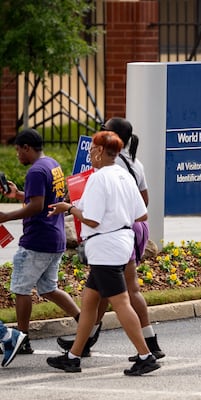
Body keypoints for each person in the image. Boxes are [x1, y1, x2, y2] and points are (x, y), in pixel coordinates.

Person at [46, 130, 160, 376]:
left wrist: (68, 208)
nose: (89, 154)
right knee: (89, 301)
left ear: (99, 151)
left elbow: (92, 220)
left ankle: (145, 355)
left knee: (120, 303)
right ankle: (74, 356)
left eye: (91, 151)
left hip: (104, 246)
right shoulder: (124, 175)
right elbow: (142, 214)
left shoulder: (99, 179)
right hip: (119, 243)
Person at [0, 128, 81, 354]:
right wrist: (18, 195)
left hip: (37, 240)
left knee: (21, 288)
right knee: (48, 289)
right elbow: (47, 199)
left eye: (18, 151)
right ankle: (85, 323)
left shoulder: (35, 171)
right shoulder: (51, 164)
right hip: (55, 238)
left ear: (27, 148)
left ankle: (21, 340)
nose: (17, 155)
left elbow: (36, 206)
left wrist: (6, 216)